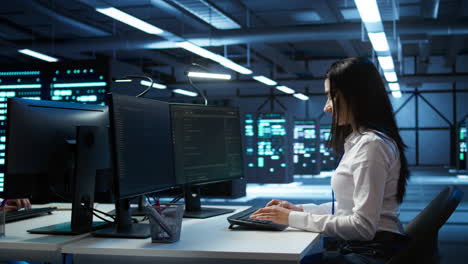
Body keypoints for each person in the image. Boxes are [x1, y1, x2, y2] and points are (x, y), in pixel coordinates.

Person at [250, 57, 410, 263]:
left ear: (355, 96)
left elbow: (362, 227)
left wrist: (292, 219)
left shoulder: (371, 145)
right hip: (368, 246)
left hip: (371, 251)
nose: (326, 107)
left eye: (331, 96)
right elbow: (347, 207)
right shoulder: (360, 141)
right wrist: (299, 210)